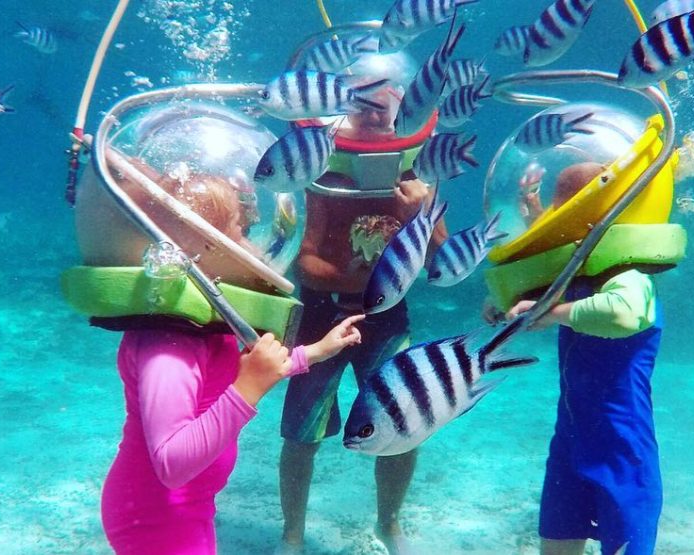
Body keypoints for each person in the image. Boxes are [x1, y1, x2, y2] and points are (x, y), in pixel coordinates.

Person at [72, 148, 367, 555]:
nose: (250, 243)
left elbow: (246, 368)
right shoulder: (169, 347)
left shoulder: (208, 328)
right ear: (200, 250)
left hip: (187, 508)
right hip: (155, 516)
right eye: (237, 231)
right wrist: (249, 387)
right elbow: (172, 464)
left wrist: (314, 352)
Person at [276, 93, 448, 554]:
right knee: (301, 430)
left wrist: (420, 213)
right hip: (322, 316)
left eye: (385, 106)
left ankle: (388, 524)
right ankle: (292, 535)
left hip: (388, 318)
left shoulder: (415, 179)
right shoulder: (323, 179)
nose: (374, 113)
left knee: (404, 422)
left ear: (402, 115)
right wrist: (352, 277)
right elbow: (303, 262)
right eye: (364, 105)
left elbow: (444, 262)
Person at [491, 162, 664, 555]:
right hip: (569, 439)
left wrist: (548, 315)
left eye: (564, 214)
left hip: (622, 449)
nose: (558, 226)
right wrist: (503, 304)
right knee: (554, 546)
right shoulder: (577, 273)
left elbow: (623, 313)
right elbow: (540, 284)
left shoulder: (631, 273)